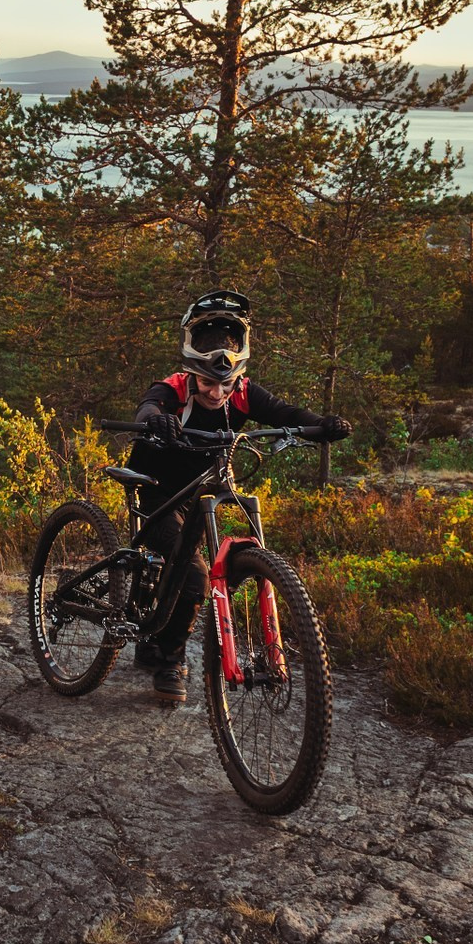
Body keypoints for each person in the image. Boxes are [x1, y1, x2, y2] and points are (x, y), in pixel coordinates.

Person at [124, 290, 348, 700]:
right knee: (192, 573)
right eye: (208, 383)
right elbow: (148, 407)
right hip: (156, 491)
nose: (216, 393)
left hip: (198, 493)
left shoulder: (244, 392)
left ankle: (158, 621)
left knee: (187, 563)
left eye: (224, 384)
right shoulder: (173, 388)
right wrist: (158, 421)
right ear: (192, 374)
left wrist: (323, 425)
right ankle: (170, 660)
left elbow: (286, 414)